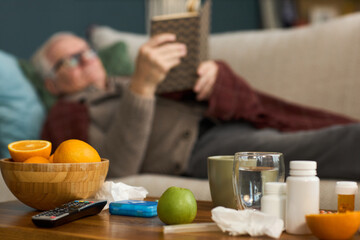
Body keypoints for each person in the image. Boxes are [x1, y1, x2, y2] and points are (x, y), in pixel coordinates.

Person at [32, 32, 360, 180]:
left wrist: (217, 77)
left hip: (226, 121)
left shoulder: (127, 77)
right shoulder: (69, 115)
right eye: (71, 60)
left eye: (87, 50)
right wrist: (142, 87)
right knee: (328, 144)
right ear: (51, 83)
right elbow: (116, 172)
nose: (87, 60)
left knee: (317, 132)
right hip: (202, 147)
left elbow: (240, 100)